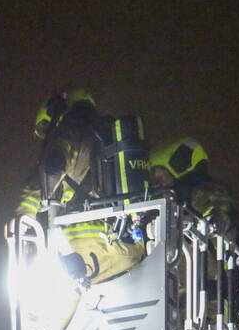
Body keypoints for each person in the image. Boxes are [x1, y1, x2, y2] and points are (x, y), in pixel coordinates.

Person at [16, 89, 146, 287]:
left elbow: (51, 168)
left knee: (43, 314)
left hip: (86, 247)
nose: (46, 136)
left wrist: (23, 215)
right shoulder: (106, 134)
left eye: (46, 128)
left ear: (56, 114)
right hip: (128, 248)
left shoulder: (69, 130)